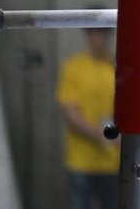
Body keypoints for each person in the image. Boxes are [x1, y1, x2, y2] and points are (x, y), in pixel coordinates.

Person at [55, 19, 118, 209]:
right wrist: (101, 135)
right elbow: (70, 112)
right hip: (81, 159)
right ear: (88, 35)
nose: (101, 38)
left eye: (105, 33)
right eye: (97, 33)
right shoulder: (73, 67)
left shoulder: (116, 67)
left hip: (112, 160)